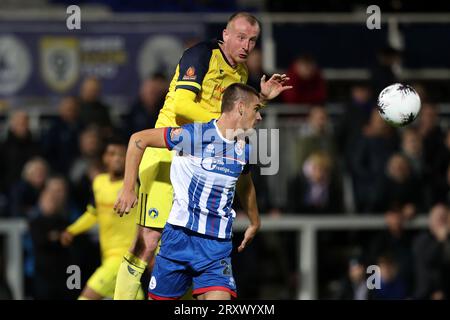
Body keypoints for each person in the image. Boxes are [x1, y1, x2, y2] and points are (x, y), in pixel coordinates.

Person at [113, 12, 291, 300]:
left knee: (183, 246)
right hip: (165, 153)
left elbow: (238, 115)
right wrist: (128, 186)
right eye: (241, 37)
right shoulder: (200, 55)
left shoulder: (242, 73)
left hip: (197, 165)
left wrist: (263, 99)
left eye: (253, 40)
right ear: (226, 34)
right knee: (147, 242)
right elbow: (184, 107)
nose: (246, 45)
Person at [115, 83, 262, 300]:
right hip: (179, 239)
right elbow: (139, 139)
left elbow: (244, 183)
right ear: (240, 107)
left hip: (216, 246)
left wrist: (255, 221)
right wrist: (128, 187)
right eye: (256, 109)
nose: (259, 117)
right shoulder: (193, 135)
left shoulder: (244, 149)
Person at [60, 137, 143, 300]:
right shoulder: (99, 182)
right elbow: (93, 213)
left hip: (125, 255)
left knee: (86, 297)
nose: (117, 158)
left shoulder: (135, 184)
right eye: (112, 154)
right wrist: (72, 230)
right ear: (105, 158)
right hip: (107, 255)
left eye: (121, 154)